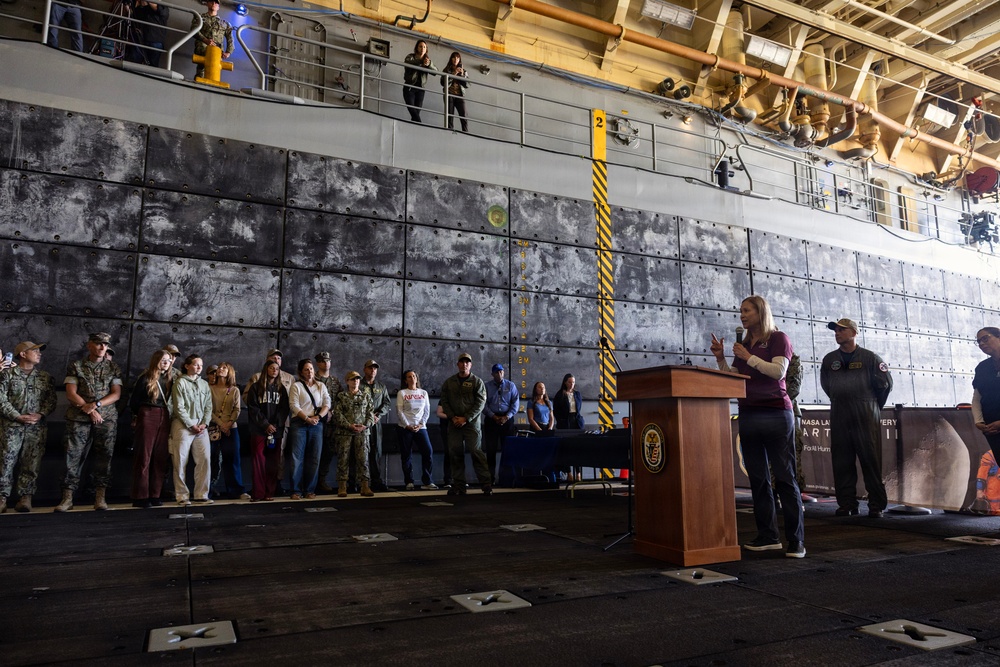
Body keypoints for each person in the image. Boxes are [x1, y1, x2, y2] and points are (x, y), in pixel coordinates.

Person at [710, 296, 805, 558]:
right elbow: (736, 379)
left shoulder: (778, 338)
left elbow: (778, 372)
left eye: (746, 311)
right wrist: (721, 359)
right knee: (759, 480)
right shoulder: (744, 344)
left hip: (776, 414)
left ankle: (796, 541)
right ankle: (768, 536)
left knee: (785, 478)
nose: (742, 315)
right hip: (749, 414)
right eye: (740, 311)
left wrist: (748, 356)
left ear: (760, 312)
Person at [820, 318, 893, 518]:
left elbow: (884, 386)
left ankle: (876, 505)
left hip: (866, 413)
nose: (837, 333)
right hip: (839, 412)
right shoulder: (829, 360)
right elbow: (827, 386)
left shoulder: (871, 358)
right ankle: (847, 504)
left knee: (870, 460)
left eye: (842, 330)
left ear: (854, 332)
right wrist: (842, 399)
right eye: (835, 330)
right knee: (841, 460)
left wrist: (870, 406)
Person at [55, 332, 123, 512]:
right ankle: (67, 498)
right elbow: (71, 393)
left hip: (106, 418)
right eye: (99, 344)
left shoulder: (113, 368)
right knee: (73, 456)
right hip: (79, 417)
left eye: (105, 345)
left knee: (104, 457)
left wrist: (95, 405)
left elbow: (116, 394)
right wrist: (88, 409)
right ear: (89, 345)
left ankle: (100, 497)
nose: (102, 347)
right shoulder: (76, 366)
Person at [0, 342, 56, 514]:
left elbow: (51, 400)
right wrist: (16, 415)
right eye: (35, 350)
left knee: (31, 463)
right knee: (5, 462)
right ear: (23, 354)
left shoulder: (45, 377)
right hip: (11, 427)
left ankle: (25, 498)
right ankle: (2, 498)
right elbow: (1, 399)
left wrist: (40, 415)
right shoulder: (7, 375)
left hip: (35, 428)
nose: (39, 354)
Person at [439, 352, 490, 496]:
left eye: (467, 362)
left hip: (471, 424)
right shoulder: (449, 382)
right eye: (462, 362)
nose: (464, 364)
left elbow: (480, 403)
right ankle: (459, 486)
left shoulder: (477, 382)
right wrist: (453, 417)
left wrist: (466, 418)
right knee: (455, 453)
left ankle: (486, 485)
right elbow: (445, 401)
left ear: (471, 365)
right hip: (454, 424)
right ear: (458, 364)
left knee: (476, 451)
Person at [128, 349, 173, 508]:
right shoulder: (146, 377)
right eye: (163, 360)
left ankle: (155, 494)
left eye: (168, 360)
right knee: (144, 456)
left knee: (160, 456)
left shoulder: (171, 379)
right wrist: (139, 416)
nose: (166, 362)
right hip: (148, 413)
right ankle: (140, 496)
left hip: (165, 416)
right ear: (156, 361)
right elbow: (134, 402)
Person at [169, 354, 213, 505]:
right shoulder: (180, 383)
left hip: (201, 427)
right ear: (187, 366)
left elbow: (208, 406)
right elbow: (178, 407)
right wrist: (190, 424)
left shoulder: (204, 384)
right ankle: (182, 496)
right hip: (183, 425)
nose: (199, 367)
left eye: (201, 364)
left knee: (205, 460)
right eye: (195, 364)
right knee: (180, 461)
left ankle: (201, 494)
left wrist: (204, 423)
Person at [245, 359, 289, 502]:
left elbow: (284, 409)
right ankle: (258, 493)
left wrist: (275, 425)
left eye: (276, 368)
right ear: (266, 370)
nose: (274, 371)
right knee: (258, 461)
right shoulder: (256, 388)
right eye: (271, 368)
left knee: (273, 462)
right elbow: (253, 409)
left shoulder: (282, 389)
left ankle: (269, 493)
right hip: (259, 430)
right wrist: (265, 425)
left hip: (276, 431)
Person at [288, 359, 331, 500]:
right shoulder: (296, 386)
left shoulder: (321, 386)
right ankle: (296, 490)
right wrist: (307, 419)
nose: (309, 371)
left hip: (316, 424)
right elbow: (294, 405)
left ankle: (310, 490)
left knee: (314, 458)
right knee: (297, 458)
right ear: (301, 372)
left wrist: (318, 417)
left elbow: (327, 404)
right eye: (306, 369)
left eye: (311, 368)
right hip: (299, 423)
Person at [209, 362, 248, 500]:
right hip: (214, 427)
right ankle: (207, 490)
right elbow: (208, 409)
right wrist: (221, 424)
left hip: (231, 428)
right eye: (219, 367)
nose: (220, 369)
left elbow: (237, 410)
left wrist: (229, 424)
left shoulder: (234, 390)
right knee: (211, 459)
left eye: (224, 367)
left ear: (229, 372)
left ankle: (236, 490)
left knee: (233, 459)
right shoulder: (210, 388)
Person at [333, 370, 375, 497]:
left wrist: (365, 425)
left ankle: (365, 486)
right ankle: (342, 486)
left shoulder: (366, 396)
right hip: (345, 432)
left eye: (357, 379)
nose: (355, 381)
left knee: (363, 459)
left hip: (362, 433)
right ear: (347, 381)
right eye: (352, 379)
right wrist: (348, 425)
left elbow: (370, 413)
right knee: (343, 459)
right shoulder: (341, 396)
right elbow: (337, 413)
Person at [396, 370, 436, 490]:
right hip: (405, 428)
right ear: (405, 380)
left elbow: (427, 411)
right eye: (409, 377)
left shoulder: (423, 393)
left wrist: (420, 424)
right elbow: (400, 411)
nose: (412, 378)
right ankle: (409, 482)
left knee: (428, 452)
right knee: (406, 455)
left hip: (421, 427)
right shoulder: (402, 393)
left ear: (417, 378)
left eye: (414, 376)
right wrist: (408, 425)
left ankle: (427, 481)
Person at [482, 363, 519, 485]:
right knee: (491, 450)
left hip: (507, 420)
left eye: (501, 371)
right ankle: (490, 478)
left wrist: (506, 417)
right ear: (492, 374)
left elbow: (515, 404)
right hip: (491, 420)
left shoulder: (510, 385)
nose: (499, 374)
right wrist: (493, 416)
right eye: (497, 372)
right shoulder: (487, 386)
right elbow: (483, 404)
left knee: (507, 450)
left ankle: (506, 478)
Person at [360, 359, 391, 492]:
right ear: (364, 369)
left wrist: (378, 415)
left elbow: (387, 403)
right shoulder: (358, 384)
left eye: (375, 368)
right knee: (361, 452)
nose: (373, 370)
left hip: (376, 423)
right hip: (361, 424)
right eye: (370, 368)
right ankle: (359, 482)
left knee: (376, 452)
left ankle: (376, 481)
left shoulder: (381, 386)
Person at [314, 351, 342, 493]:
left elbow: (340, 400)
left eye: (328, 361)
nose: (326, 364)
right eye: (323, 361)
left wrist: (333, 413)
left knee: (328, 453)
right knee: (313, 452)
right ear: (318, 363)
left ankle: (322, 480)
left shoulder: (335, 381)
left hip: (331, 424)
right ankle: (311, 481)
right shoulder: (312, 379)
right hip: (315, 421)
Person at [973, 327, 1000, 466]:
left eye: (985, 338)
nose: (981, 344)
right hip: (992, 429)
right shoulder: (982, 368)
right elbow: (977, 396)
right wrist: (979, 421)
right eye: (978, 341)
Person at [191, 0, 233, 79]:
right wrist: (205, 40)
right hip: (202, 47)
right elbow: (194, 30)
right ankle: (199, 79)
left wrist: (228, 52)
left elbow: (230, 38)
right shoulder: (200, 17)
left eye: (216, 3)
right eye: (211, 2)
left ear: (219, 7)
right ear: (207, 3)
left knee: (214, 73)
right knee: (201, 72)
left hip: (217, 51)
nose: (214, 4)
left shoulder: (225, 23)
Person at [128, 0, 170, 67]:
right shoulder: (140, 8)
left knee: (153, 65)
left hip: (155, 40)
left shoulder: (163, 6)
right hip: (140, 39)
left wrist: (149, 2)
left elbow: (162, 12)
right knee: (134, 62)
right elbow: (131, 14)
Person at [402, 40, 435, 123]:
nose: (422, 48)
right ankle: (420, 125)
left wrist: (429, 64)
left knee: (417, 112)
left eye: (424, 47)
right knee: (412, 110)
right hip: (409, 87)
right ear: (417, 48)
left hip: (420, 89)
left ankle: (415, 127)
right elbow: (407, 62)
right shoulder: (411, 56)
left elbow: (435, 72)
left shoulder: (427, 60)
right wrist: (420, 62)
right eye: (420, 46)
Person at [441, 51, 469, 132]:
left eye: (457, 58)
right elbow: (443, 83)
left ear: (459, 59)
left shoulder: (464, 71)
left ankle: (465, 132)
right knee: (450, 114)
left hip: (460, 95)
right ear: (451, 59)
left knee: (464, 114)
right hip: (449, 94)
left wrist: (462, 75)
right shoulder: (446, 70)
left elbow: (467, 85)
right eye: (454, 57)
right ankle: (449, 131)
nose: (455, 59)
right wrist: (454, 74)